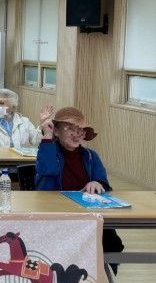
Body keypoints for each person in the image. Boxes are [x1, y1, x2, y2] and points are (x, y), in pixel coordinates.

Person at [35, 106, 124, 273]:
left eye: (80, 130)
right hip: (55, 213)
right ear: (56, 131)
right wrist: (47, 136)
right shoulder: (48, 150)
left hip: (86, 214)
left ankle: (94, 272)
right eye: (70, 128)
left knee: (108, 236)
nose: (76, 134)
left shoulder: (91, 155)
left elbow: (104, 183)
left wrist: (97, 183)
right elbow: (47, 169)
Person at [0, 88, 50, 185]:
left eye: (2, 104)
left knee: (35, 179)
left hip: (20, 165)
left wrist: (43, 125)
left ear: (13, 106)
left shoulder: (24, 121)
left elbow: (36, 141)